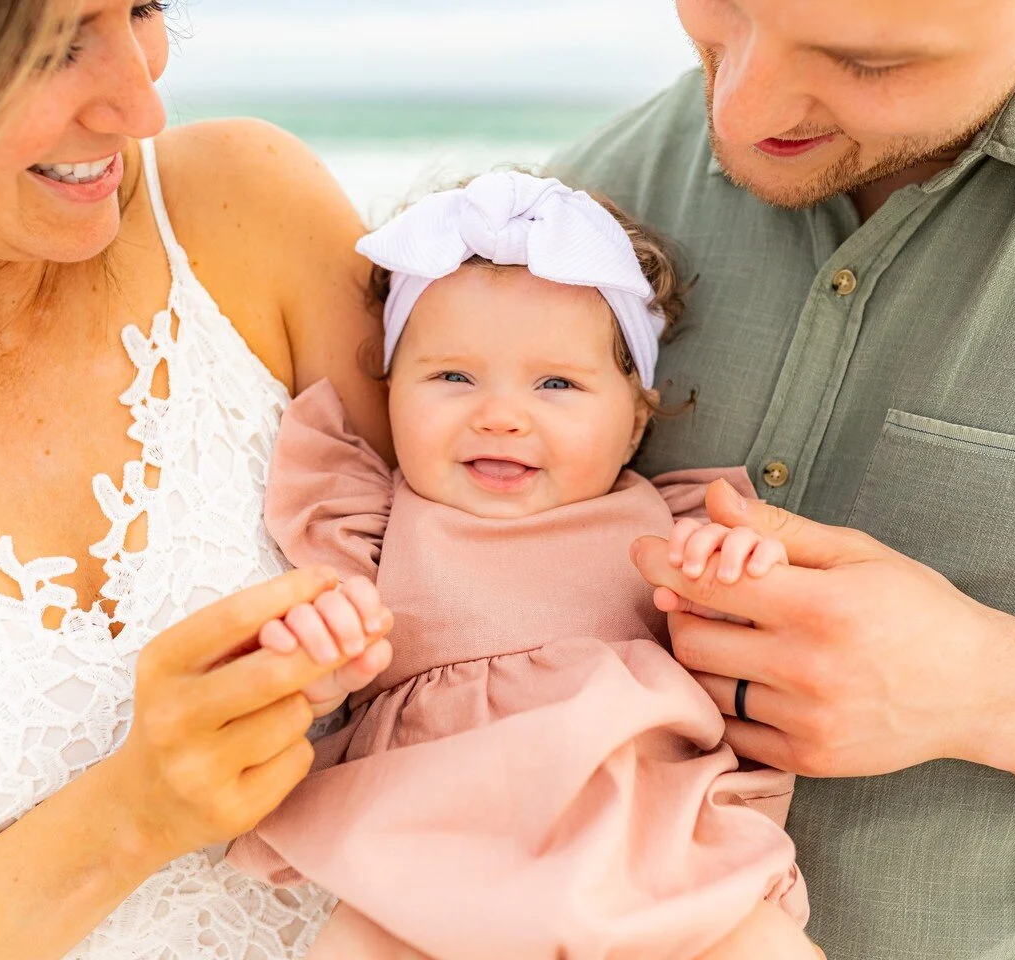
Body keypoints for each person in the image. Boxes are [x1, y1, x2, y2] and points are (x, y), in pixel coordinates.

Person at [552, 0, 1015, 958]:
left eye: (866, 62)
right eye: (722, 10)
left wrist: (999, 692)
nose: (736, 114)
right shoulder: (586, 207)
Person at [0, 2, 395, 957]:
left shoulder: (246, 213)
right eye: (51, 46)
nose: (142, 107)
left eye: (141, 9)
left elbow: (526, 577)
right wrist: (128, 817)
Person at [223, 172, 818, 960]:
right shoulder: (374, 526)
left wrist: (741, 563)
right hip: (432, 852)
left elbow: (755, 631)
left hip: (653, 850)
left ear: (636, 419)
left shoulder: (666, 528)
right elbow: (321, 674)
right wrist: (317, 656)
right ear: (390, 389)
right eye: (453, 377)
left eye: (556, 384)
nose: (501, 414)